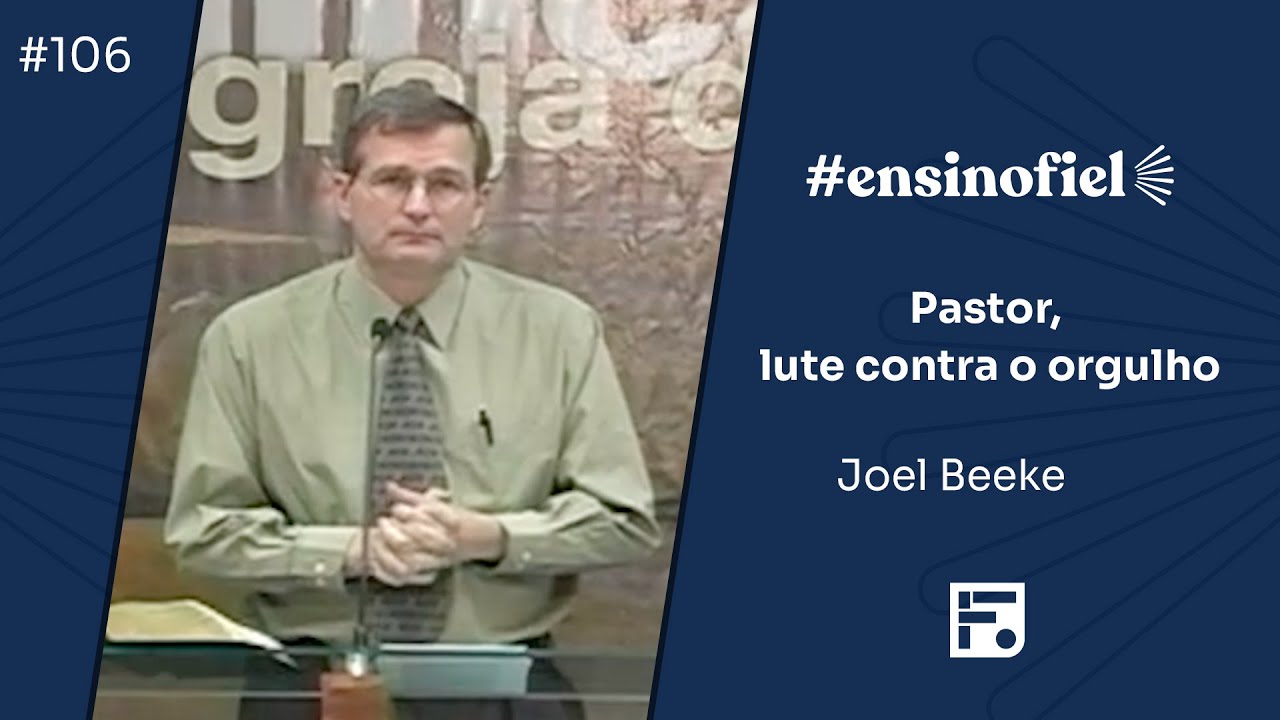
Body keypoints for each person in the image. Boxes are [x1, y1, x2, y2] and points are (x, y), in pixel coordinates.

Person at [162, 83, 662, 720]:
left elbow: (622, 518)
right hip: (313, 685)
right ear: (342, 193)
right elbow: (204, 531)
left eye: (445, 184)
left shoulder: (559, 331)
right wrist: (353, 550)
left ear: (479, 205)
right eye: (393, 180)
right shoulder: (249, 339)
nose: (419, 206)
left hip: (502, 686)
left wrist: (488, 537)